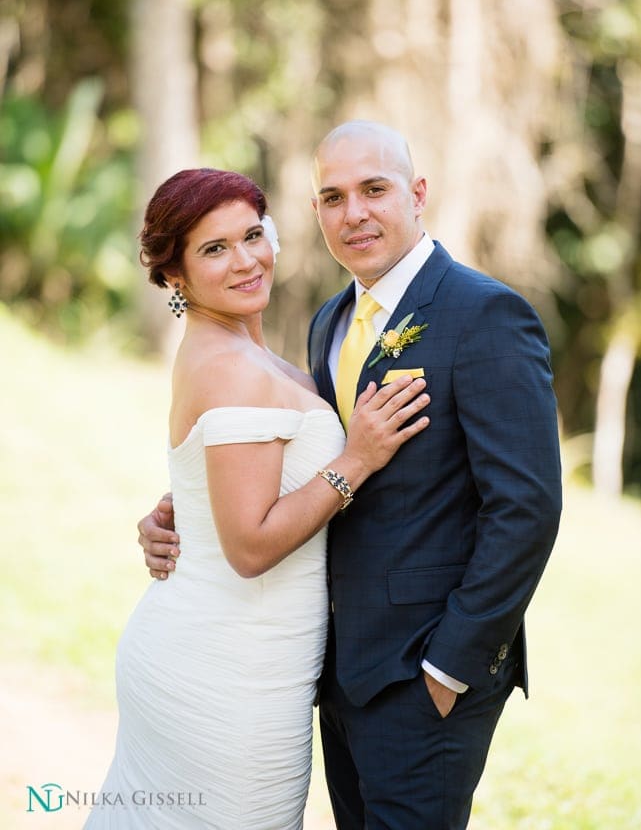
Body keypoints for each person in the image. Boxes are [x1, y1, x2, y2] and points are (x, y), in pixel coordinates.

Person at [140, 122, 562, 830]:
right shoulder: (329, 322)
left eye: (374, 189)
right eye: (331, 197)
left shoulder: (484, 314)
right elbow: (292, 461)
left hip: (424, 674)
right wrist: (188, 507)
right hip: (331, 673)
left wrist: (448, 668)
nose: (354, 213)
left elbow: (526, 509)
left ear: (417, 194)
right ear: (313, 214)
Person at [86, 167, 430, 830]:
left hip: (226, 651)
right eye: (214, 249)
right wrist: (354, 460)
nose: (246, 260)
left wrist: (178, 504)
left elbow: (231, 481)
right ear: (174, 275)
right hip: (225, 672)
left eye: (251, 235)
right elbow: (248, 548)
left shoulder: (235, 351)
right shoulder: (229, 366)